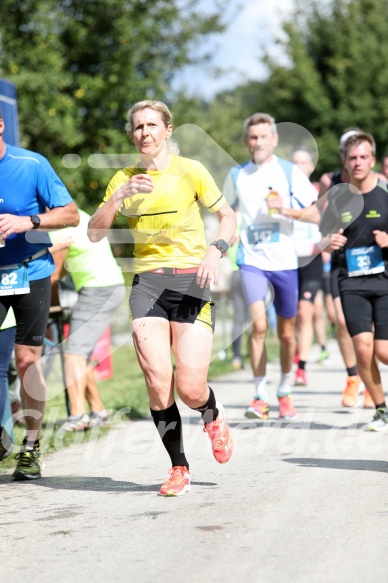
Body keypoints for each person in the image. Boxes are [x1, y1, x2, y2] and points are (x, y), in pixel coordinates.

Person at [88, 100, 236, 496]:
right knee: (157, 381)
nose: (145, 133)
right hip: (148, 285)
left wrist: (214, 250)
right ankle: (178, 467)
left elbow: (229, 217)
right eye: (138, 127)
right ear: (131, 134)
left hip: (191, 282)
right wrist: (117, 198)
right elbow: (94, 233)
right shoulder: (122, 178)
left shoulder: (191, 171)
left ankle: (212, 416)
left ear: (168, 130)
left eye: (152, 125)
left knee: (190, 387)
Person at [0, 110, 79, 479]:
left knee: (28, 360)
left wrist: (28, 222)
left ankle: (31, 446)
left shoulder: (31, 164)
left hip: (31, 271)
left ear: (1, 126)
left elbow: (71, 214)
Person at [225, 113, 317, 421]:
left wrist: (286, 209)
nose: (258, 142)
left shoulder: (289, 172)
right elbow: (225, 212)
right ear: (245, 141)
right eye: (253, 137)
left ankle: (285, 390)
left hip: (284, 262)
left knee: (287, 334)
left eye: (264, 136)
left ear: (274, 139)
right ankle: (259, 396)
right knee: (259, 326)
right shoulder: (237, 175)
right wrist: (229, 230)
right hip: (251, 260)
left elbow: (317, 214)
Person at [320, 132, 388, 431]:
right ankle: (382, 410)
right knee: (362, 348)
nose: (358, 162)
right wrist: (329, 241)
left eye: (363, 157)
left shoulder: (386, 194)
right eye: (352, 158)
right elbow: (323, 236)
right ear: (344, 162)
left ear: (372, 160)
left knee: (384, 352)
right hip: (351, 282)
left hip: (384, 281)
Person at [49, 209, 126, 431]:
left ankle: (77, 415)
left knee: (73, 353)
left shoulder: (60, 226)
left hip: (98, 289)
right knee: (79, 352)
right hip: (107, 285)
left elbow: (54, 274)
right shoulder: (79, 215)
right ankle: (97, 410)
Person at [291, 147, 329, 385]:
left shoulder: (318, 193)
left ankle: (301, 367)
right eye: (294, 163)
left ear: (311, 166)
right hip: (287, 260)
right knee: (293, 315)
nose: (298, 167)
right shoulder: (282, 193)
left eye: (303, 162)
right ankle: (295, 352)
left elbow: (332, 223)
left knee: (306, 311)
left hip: (311, 258)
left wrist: (324, 245)